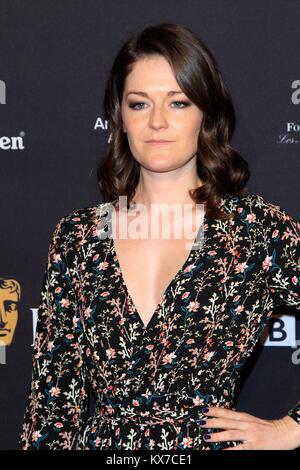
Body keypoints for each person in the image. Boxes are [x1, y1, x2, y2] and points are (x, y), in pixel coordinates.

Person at [18, 23, 300, 450]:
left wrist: (290, 430)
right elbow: (52, 405)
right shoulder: (77, 237)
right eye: (139, 103)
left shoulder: (256, 232)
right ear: (120, 117)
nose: (157, 122)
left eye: (179, 102)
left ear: (206, 114)